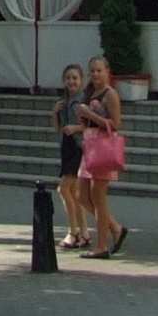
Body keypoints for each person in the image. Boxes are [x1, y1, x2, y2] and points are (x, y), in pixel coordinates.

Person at [78, 54, 128, 259]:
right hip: (89, 145)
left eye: (100, 70)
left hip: (103, 146)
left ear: (107, 72)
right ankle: (115, 228)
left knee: (98, 196)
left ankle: (101, 245)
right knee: (82, 195)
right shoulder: (91, 92)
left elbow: (115, 124)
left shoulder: (110, 94)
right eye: (93, 71)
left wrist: (92, 116)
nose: (96, 74)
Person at [50, 63, 91, 251]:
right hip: (66, 147)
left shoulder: (83, 101)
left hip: (78, 148)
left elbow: (90, 126)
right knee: (75, 193)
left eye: (75, 78)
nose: (71, 81)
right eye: (68, 78)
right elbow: (58, 129)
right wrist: (55, 113)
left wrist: (76, 128)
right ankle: (84, 233)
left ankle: (73, 232)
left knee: (63, 189)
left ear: (81, 80)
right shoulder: (64, 101)